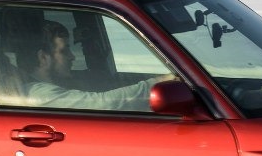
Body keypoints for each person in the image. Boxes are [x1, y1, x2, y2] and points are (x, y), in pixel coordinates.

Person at [12, 20, 170, 110]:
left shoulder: (60, 83)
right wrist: (158, 83)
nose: (72, 57)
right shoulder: (39, 94)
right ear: (43, 57)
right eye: (64, 51)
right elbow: (104, 103)